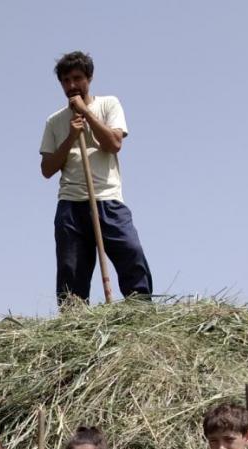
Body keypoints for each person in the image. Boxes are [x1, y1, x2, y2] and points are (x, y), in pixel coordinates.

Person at [39, 50, 153, 303]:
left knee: (130, 252)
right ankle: (74, 320)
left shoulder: (108, 104)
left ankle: (140, 309)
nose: (71, 85)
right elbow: (47, 169)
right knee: (71, 270)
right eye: (65, 80)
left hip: (107, 198)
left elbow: (113, 144)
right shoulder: (54, 122)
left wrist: (86, 114)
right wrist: (70, 136)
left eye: (77, 78)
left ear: (89, 78)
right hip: (71, 203)